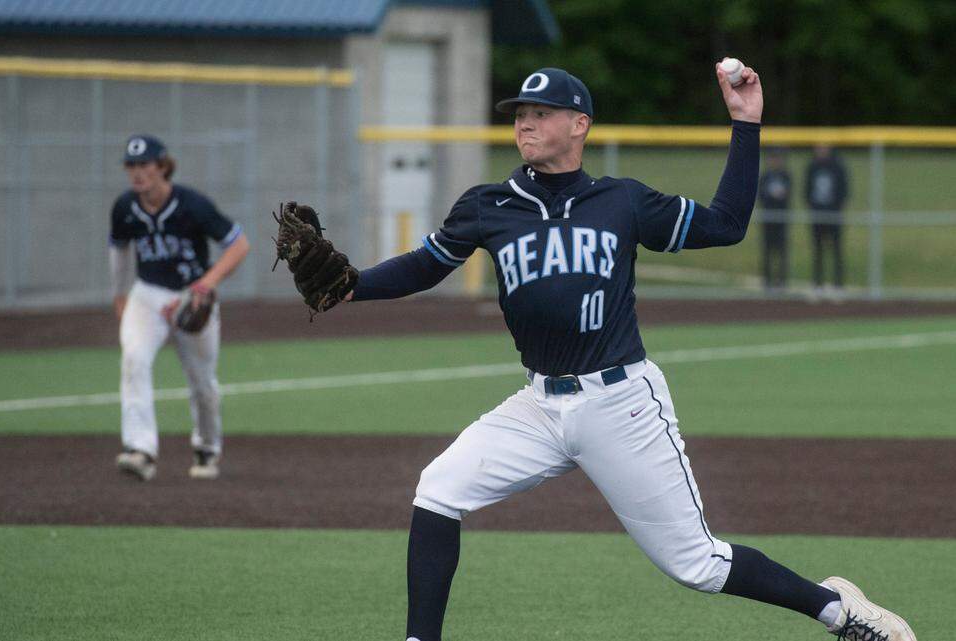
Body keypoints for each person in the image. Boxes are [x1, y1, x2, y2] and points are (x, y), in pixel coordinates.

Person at [341, 66, 914, 640]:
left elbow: (727, 224)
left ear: (579, 124)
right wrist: (351, 284)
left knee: (699, 564)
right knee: (438, 490)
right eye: (520, 114)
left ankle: (842, 613)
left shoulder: (622, 202)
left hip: (621, 404)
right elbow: (422, 267)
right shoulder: (488, 206)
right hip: (539, 405)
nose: (525, 123)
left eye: (540, 113)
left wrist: (746, 124)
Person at [109, 134, 251, 481]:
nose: (138, 172)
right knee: (134, 359)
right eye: (131, 165)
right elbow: (119, 250)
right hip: (148, 294)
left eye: (144, 165)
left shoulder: (192, 204)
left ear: (162, 166)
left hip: (191, 298)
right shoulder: (125, 207)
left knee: (202, 382)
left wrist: (208, 282)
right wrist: (119, 293)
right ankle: (140, 449)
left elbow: (239, 245)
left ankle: (206, 446)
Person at [804, 144, 849, 295]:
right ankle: (818, 284)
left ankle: (838, 285)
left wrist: (837, 209)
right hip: (817, 216)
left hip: (834, 215)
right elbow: (806, 191)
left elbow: (844, 191)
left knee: (836, 251)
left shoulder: (838, 166)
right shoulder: (812, 167)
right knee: (818, 251)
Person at [758, 147, 792, 291]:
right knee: (767, 251)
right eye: (773, 158)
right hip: (768, 219)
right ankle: (767, 281)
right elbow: (760, 196)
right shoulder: (765, 177)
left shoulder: (786, 176)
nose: (775, 161)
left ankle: (781, 282)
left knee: (782, 251)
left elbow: (788, 195)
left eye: (778, 158)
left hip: (781, 219)